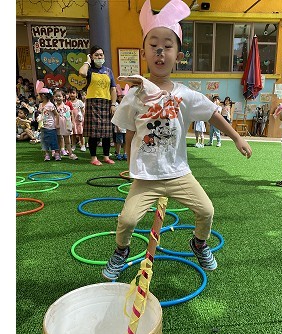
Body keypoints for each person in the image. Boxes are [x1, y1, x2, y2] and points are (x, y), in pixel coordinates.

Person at [101, 0, 252, 280]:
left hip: (178, 173)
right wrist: (130, 163)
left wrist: (236, 138)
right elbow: (129, 130)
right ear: (144, 53)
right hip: (146, 176)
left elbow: (213, 114)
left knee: (206, 210)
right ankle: (121, 251)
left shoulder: (185, 94)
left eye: (168, 46)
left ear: (178, 55)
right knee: (127, 219)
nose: (160, 51)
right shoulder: (134, 95)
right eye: (153, 45)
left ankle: (199, 243)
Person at [78, 45, 117, 166]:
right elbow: (81, 73)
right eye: (96, 55)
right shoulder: (89, 70)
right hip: (92, 103)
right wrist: (87, 61)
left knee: (107, 133)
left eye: (101, 55)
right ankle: (93, 157)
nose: (99, 57)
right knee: (93, 133)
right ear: (92, 56)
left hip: (106, 103)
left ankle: (106, 156)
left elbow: (113, 89)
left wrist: (113, 104)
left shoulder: (108, 71)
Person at [36, 81, 61, 161]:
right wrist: (39, 119)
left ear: (43, 95)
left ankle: (57, 153)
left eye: (38, 95)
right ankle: (46, 154)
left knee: (53, 140)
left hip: (51, 126)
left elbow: (56, 114)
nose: (37, 97)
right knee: (44, 141)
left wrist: (57, 124)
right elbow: (40, 114)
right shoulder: (40, 105)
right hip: (43, 126)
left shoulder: (50, 105)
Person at [53, 88, 77, 159]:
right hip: (57, 125)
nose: (58, 98)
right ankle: (57, 154)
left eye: (59, 96)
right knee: (58, 140)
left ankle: (70, 154)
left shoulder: (66, 107)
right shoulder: (53, 107)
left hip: (65, 125)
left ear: (63, 97)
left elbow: (68, 117)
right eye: (56, 96)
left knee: (67, 140)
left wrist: (71, 124)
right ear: (54, 97)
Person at [67, 87, 86, 152]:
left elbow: (83, 110)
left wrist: (83, 118)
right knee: (73, 134)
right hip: (72, 120)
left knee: (81, 133)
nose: (72, 94)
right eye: (70, 93)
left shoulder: (79, 102)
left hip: (79, 120)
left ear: (76, 94)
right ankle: (73, 145)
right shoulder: (68, 102)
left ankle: (83, 145)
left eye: (73, 93)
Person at [112, 94, 127, 160]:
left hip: (126, 127)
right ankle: (118, 153)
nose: (123, 98)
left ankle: (125, 153)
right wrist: (117, 127)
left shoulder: (127, 106)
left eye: (124, 97)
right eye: (121, 97)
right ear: (118, 98)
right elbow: (116, 118)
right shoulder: (117, 107)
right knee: (119, 142)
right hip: (119, 127)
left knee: (125, 141)